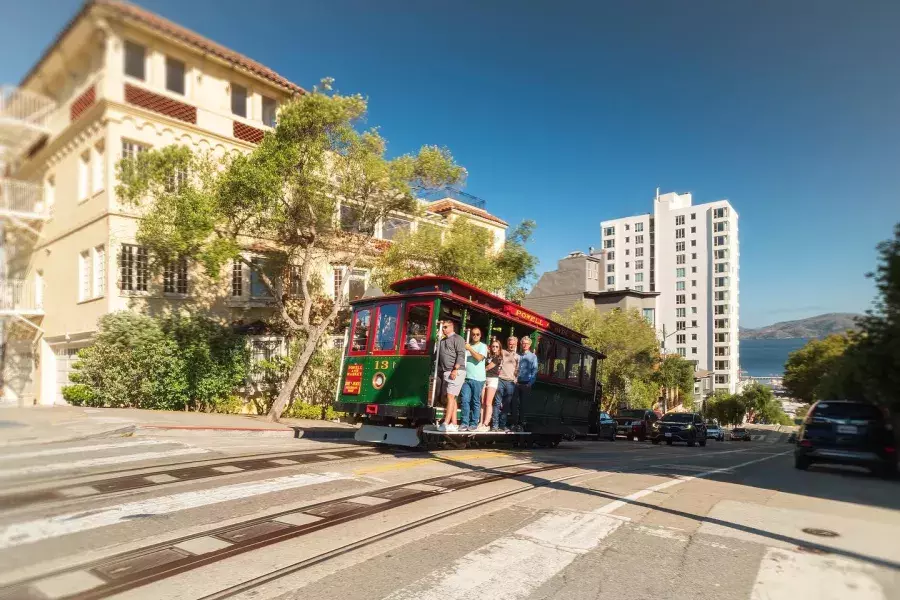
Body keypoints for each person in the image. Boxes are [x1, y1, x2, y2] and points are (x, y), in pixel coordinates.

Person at [436, 320, 466, 432]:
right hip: (446, 372)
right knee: (452, 398)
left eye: (445, 327)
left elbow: (461, 354)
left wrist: (455, 369)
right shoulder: (442, 341)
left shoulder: (458, 339)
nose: (443, 329)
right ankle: (454, 423)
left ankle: (445, 423)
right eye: (442, 327)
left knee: (450, 397)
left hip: (456, 371)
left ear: (451, 327)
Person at [458, 327, 487, 431]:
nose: (475, 336)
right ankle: (464, 423)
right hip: (466, 377)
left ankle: (474, 423)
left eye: (477, 334)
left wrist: (469, 348)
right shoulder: (467, 346)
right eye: (473, 334)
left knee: (475, 401)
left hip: (478, 378)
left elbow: (479, 358)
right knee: (465, 400)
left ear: (480, 335)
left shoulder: (483, 346)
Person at [492, 336, 520, 432]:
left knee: (506, 404)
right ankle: (495, 425)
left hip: (510, 382)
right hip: (500, 380)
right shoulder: (503, 352)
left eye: (513, 344)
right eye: (509, 343)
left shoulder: (517, 357)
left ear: (516, 344)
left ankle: (502, 425)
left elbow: (517, 370)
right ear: (507, 343)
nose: (511, 345)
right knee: (497, 402)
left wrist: (515, 378)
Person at [511, 336, 538, 431]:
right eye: (523, 343)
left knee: (523, 404)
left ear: (530, 345)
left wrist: (530, 383)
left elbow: (534, 371)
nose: (525, 345)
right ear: (521, 344)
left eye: (527, 343)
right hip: (516, 382)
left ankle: (521, 424)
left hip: (526, 383)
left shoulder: (533, 356)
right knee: (514, 403)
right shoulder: (518, 355)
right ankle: (514, 423)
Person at [477, 339, 502, 431]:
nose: (494, 348)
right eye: (493, 346)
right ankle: (481, 422)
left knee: (488, 402)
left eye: (496, 346)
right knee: (482, 402)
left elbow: (488, 367)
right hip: (484, 378)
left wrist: (478, 370)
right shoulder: (488, 356)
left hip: (492, 380)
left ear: (499, 348)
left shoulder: (498, 358)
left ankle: (486, 424)